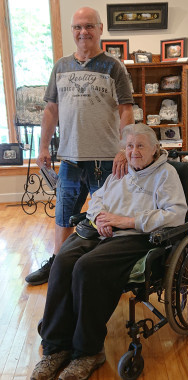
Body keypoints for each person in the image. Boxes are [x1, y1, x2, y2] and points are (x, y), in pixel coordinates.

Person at [30, 123, 187, 380]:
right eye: (129, 146)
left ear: (155, 149)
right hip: (100, 229)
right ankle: (55, 347)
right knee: (63, 261)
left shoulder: (165, 174)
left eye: (140, 146)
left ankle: (88, 351)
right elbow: (99, 197)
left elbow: (175, 214)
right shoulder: (122, 169)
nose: (133, 151)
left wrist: (127, 221)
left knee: (87, 268)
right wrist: (101, 217)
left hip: (136, 235)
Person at [25, 7, 134, 286]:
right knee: (63, 216)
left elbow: (126, 110)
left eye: (88, 26)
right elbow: (50, 110)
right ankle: (57, 266)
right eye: (77, 27)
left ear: (100, 29)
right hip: (70, 160)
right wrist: (43, 147)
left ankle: (106, 271)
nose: (83, 32)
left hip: (106, 160)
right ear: (72, 31)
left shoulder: (113, 66)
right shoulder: (61, 66)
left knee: (107, 219)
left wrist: (125, 147)